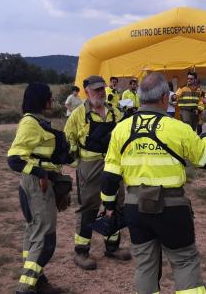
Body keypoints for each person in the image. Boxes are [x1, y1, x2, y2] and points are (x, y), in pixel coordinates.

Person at [100, 72, 206, 294]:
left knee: (145, 266)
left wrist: (108, 205)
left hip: (135, 208)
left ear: (140, 97)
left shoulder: (121, 129)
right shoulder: (179, 128)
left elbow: (109, 177)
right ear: (165, 97)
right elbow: (205, 160)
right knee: (184, 262)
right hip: (171, 208)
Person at [7, 83, 73, 294]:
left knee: (34, 233)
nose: (52, 101)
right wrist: (41, 174)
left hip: (40, 184)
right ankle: (25, 288)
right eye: (50, 97)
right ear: (41, 100)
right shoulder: (30, 123)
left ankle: (38, 281)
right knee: (45, 238)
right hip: (36, 186)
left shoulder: (38, 122)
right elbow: (14, 159)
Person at [63, 75, 131, 270]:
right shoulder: (77, 114)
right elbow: (68, 140)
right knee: (89, 207)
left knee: (116, 203)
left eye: (102, 88)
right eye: (95, 89)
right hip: (89, 166)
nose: (100, 92)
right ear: (87, 91)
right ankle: (81, 251)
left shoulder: (115, 112)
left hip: (113, 164)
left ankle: (112, 247)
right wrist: (78, 161)